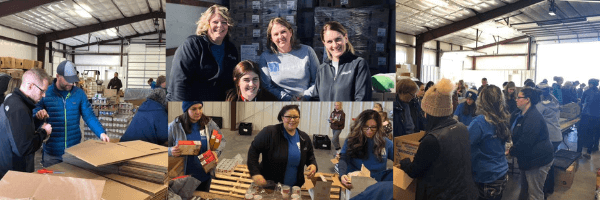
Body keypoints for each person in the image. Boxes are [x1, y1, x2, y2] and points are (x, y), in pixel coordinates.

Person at [400, 78, 477, 200]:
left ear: (429, 112)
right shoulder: (462, 128)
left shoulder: (432, 139)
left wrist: (404, 163)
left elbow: (414, 170)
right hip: (465, 192)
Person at [33, 60, 109, 168]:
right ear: (58, 76)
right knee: (51, 183)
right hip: (52, 152)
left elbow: (89, 116)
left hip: (73, 151)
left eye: (73, 80)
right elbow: (35, 108)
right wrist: (38, 113)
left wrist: (101, 133)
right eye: (68, 80)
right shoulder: (46, 92)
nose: (71, 83)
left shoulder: (79, 94)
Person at [168, 5, 239, 101]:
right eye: (215, 22)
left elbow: (232, 83)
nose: (220, 25)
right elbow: (179, 83)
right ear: (207, 24)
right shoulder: (193, 45)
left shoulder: (231, 49)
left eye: (224, 22)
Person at [247, 105, 317, 187]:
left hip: (294, 187)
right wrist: (255, 173)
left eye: (295, 117)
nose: (292, 120)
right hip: (270, 186)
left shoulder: (304, 137)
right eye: (288, 117)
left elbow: (310, 155)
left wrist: (313, 164)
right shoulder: (269, 132)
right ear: (282, 118)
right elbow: (253, 150)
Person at [0, 69, 52, 179]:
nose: (44, 95)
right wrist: (44, 132)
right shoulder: (19, 109)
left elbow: (18, 132)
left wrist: (37, 121)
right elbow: (24, 148)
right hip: (15, 173)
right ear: (30, 86)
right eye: (42, 91)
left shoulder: (12, 100)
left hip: (7, 169)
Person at [168, 101, 226, 191]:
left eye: (200, 108)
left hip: (205, 176)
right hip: (184, 179)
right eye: (194, 109)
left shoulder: (208, 123)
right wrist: (170, 150)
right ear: (186, 110)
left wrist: (216, 152)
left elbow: (221, 139)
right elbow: (159, 147)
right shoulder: (175, 126)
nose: (198, 112)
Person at [508, 88, 554, 200]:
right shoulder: (520, 113)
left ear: (527, 100)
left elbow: (526, 142)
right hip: (527, 158)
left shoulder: (533, 117)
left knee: (534, 193)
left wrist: (510, 151)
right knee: (525, 188)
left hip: (537, 160)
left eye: (519, 97)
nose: (516, 99)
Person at [259, 18, 319, 101]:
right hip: (279, 102)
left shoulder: (307, 51)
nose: (280, 36)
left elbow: (317, 80)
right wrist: (288, 98)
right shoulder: (265, 57)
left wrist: (306, 96)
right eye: (276, 34)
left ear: (290, 32)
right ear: (271, 38)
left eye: (283, 32)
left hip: (306, 101)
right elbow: (267, 86)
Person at [468, 85, 510, 200]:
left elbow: (465, 144)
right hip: (501, 172)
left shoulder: (479, 122)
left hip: (486, 177)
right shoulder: (502, 118)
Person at [314, 21, 371, 101]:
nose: (334, 45)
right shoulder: (322, 69)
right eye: (329, 41)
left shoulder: (358, 64)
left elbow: (362, 99)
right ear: (324, 44)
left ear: (346, 38)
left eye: (338, 39)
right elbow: (316, 98)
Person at [339, 110, 394, 189]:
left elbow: (398, 159)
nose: (369, 130)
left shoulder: (386, 143)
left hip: (377, 185)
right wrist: (342, 174)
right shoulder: (351, 141)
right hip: (355, 183)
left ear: (378, 127)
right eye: (365, 127)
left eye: (373, 127)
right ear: (360, 125)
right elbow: (343, 159)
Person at [536, 82, 561, 195]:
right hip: (557, 135)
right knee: (550, 163)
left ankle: (546, 190)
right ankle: (549, 188)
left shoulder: (540, 106)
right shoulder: (554, 101)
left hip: (549, 137)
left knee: (545, 165)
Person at [579, 78, 600, 157]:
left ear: (590, 84)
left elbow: (581, 103)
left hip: (586, 116)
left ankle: (579, 152)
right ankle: (588, 152)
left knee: (581, 134)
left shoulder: (587, 92)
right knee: (592, 135)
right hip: (597, 117)